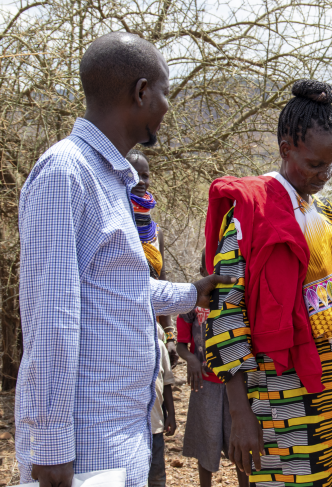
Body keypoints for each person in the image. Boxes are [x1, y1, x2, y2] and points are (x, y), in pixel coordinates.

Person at [16, 32, 233, 487]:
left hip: (121, 435)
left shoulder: (111, 178)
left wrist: (192, 292)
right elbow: (52, 315)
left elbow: (118, 288)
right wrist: (52, 445)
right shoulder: (65, 172)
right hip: (83, 446)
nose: (168, 107)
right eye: (165, 93)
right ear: (140, 92)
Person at [204, 80, 332, 487]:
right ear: (286, 149)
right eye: (315, 164)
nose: (325, 174)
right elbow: (226, 311)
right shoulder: (250, 214)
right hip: (285, 387)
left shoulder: (324, 213)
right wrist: (239, 411)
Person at [177, 249, 249, 487]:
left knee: (239, 442)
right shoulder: (191, 302)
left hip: (237, 382)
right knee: (205, 442)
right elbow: (180, 345)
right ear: (201, 272)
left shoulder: (237, 299)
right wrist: (191, 359)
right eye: (211, 269)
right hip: (206, 382)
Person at [128, 149, 178, 366]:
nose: (141, 181)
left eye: (145, 175)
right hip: (120, 327)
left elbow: (162, 282)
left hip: (152, 326)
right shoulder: (113, 226)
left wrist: (169, 334)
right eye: (134, 174)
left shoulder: (155, 233)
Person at [149, 324, 176, 487]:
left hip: (155, 426)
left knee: (157, 477)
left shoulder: (159, 347)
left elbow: (166, 383)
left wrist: (171, 415)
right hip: (133, 428)